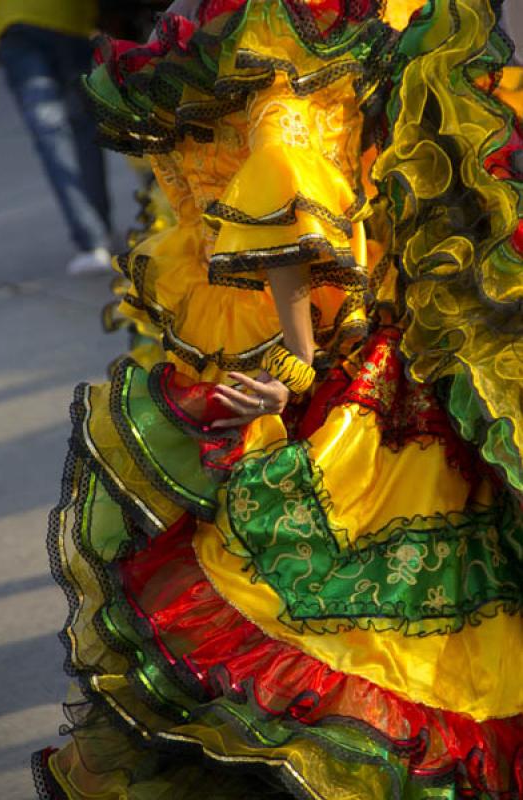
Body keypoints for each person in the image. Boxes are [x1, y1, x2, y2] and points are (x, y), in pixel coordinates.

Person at [31, 0, 522, 798]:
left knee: (334, 615)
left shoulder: (277, 47)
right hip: (331, 347)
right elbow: (279, 215)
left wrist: (295, 367)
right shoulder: (275, 44)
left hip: (354, 358)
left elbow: (296, 213)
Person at [0, 1, 113, 274]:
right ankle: (99, 228)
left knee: (51, 136)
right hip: (71, 22)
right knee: (85, 130)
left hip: (16, 25)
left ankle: (92, 240)